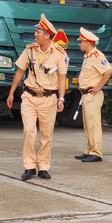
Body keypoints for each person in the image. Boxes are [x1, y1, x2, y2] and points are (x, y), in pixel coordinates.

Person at [6, 13, 69, 181]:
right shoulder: (30, 50)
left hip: (49, 99)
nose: (35, 34)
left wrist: (61, 98)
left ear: (47, 35)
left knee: (46, 136)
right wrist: (11, 93)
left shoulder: (59, 53)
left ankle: (43, 167)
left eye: (38, 32)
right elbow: (20, 71)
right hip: (29, 96)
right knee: (29, 131)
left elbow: (62, 78)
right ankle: (29, 166)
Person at [74, 27, 112, 163]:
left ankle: (96, 152)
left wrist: (99, 86)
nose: (79, 44)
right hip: (86, 94)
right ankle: (89, 150)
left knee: (93, 125)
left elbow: (108, 71)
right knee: (87, 125)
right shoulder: (88, 56)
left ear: (88, 43)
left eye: (81, 42)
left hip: (93, 95)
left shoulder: (97, 56)